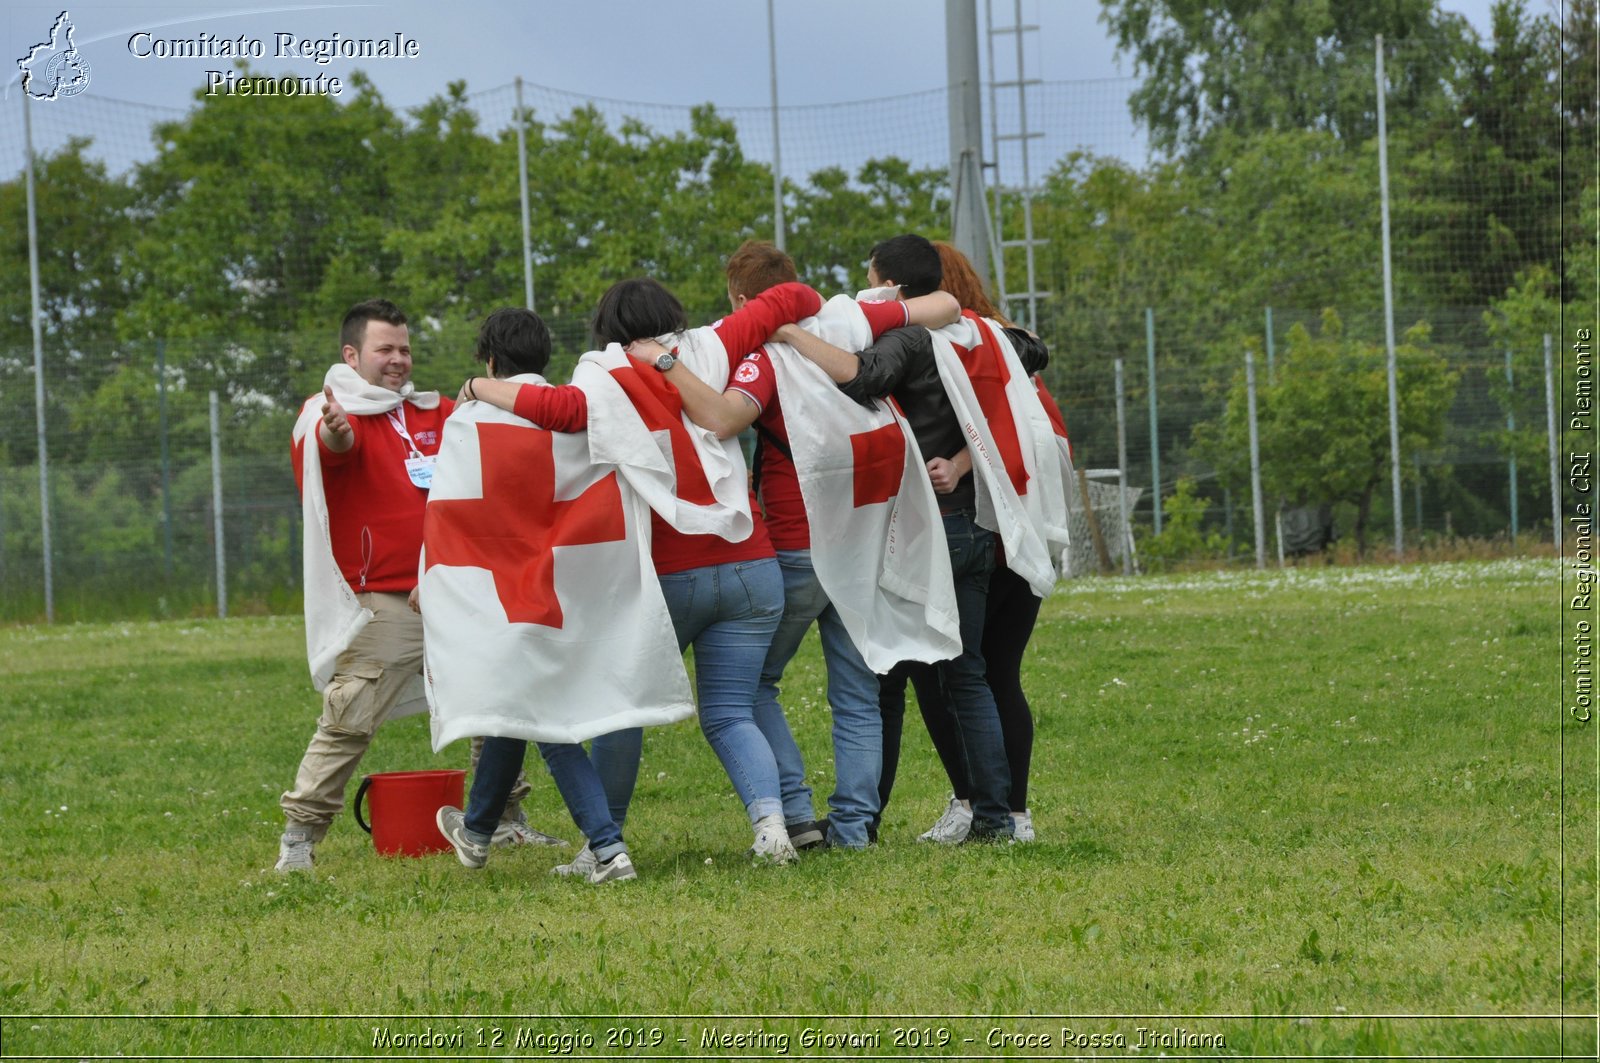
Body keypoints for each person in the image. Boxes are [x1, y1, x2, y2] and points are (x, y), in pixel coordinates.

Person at [461, 278, 825, 866]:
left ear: (607, 330)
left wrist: (481, 385)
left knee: (619, 707)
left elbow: (560, 410)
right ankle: (772, 824)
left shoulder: (603, 373)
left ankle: (605, 843)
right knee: (732, 711)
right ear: (673, 316)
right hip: (751, 563)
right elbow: (794, 296)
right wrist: (785, 320)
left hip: (668, 573)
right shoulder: (711, 346)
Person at [650, 240, 961, 849]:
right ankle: (853, 828)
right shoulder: (848, 323)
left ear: (742, 301)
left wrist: (666, 364)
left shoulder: (762, 357)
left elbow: (722, 419)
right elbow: (944, 306)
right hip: (864, 538)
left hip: (797, 545)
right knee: (857, 689)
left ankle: (794, 812)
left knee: (753, 686)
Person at [773, 234, 1048, 842]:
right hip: (977, 525)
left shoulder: (911, 338)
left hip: (931, 527)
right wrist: (963, 458)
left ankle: (863, 820)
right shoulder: (981, 333)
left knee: (890, 676)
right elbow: (1031, 354)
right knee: (970, 675)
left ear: (890, 286)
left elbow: (865, 379)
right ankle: (997, 818)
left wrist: (792, 335)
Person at [277, 299, 557, 872]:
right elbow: (335, 450)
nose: (399, 360)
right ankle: (299, 840)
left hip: (458, 586)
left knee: (495, 704)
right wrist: (335, 433)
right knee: (351, 714)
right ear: (351, 355)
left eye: (404, 348)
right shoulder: (331, 412)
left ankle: (503, 820)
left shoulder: (436, 410)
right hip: (385, 596)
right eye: (385, 350)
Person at [434, 308, 641, 884]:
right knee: (518, 707)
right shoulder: (576, 412)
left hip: (501, 590)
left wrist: (437, 584)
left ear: (491, 362)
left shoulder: (470, 421)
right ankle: (476, 832)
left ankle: (608, 849)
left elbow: (448, 511)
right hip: (570, 586)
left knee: (544, 719)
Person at [875, 241, 1053, 844]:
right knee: (990, 675)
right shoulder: (1004, 348)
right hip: (1018, 536)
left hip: (976, 532)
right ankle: (998, 809)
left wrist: (957, 465)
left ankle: (985, 805)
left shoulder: (944, 351)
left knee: (955, 675)